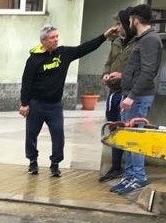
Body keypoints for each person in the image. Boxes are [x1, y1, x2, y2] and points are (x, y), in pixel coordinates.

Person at [19, 23, 119, 177]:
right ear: (43, 41)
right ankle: (32, 161)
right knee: (31, 135)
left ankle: (55, 163)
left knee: (58, 135)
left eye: (57, 37)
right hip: (36, 104)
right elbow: (26, 82)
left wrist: (104, 36)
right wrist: (24, 104)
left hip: (54, 106)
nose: (56, 40)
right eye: (52, 38)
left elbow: (84, 48)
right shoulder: (33, 60)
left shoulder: (63, 54)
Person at [111, 4, 162, 195]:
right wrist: (122, 76)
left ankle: (138, 177)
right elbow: (138, 69)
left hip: (138, 98)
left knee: (136, 140)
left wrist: (131, 97)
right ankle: (130, 175)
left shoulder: (149, 40)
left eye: (130, 19)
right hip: (132, 95)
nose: (129, 23)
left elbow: (148, 71)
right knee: (129, 139)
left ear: (136, 19)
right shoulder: (142, 39)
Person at [99, 8, 134, 182]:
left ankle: (126, 169)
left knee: (127, 130)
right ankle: (114, 167)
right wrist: (106, 74)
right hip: (113, 91)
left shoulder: (136, 43)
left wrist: (122, 76)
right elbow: (108, 62)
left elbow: (141, 69)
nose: (116, 27)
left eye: (119, 24)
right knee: (113, 126)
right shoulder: (116, 42)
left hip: (127, 92)